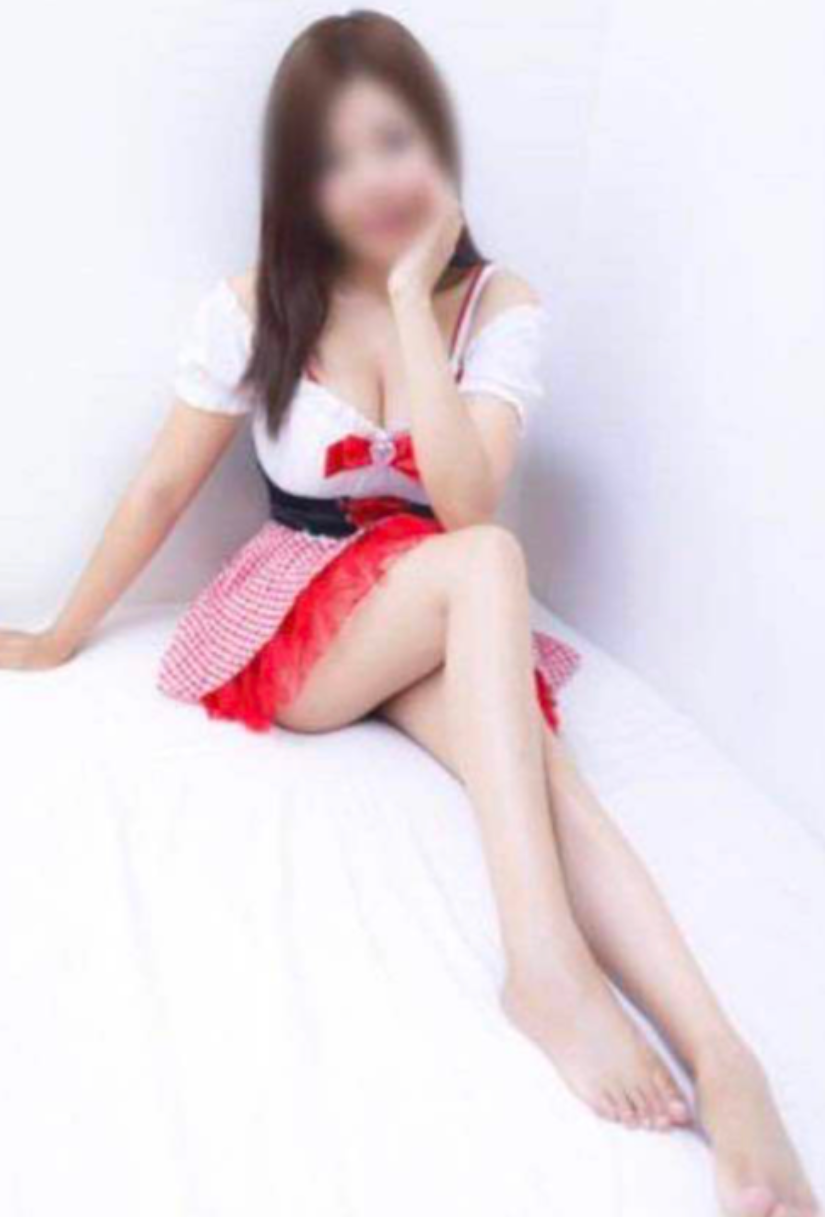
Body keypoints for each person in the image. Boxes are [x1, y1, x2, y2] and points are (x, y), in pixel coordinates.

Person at [0, 11, 817, 1217]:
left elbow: (464, 496)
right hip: (307, 624)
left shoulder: (497, 303)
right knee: (487, 564)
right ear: (298, 183)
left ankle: (724, 1055)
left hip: (435, 602)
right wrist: (61, 631)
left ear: (435, 143)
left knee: (537, 765)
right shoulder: (256, 306)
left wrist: (408, 300)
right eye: (335, 160)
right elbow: (165, 486)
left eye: (391, 142)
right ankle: (543, 964)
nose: (371, 180)